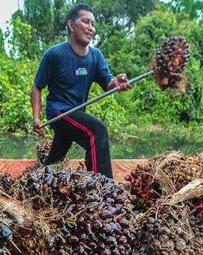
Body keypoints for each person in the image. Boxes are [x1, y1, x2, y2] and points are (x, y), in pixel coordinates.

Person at [31, 3, 131, 179]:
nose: (91, 28)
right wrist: (37, 118)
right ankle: (103, 187)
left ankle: (41, 174)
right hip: (59, 112)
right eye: (86, 22)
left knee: (56, 158)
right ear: (71, 25)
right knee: (96, 131)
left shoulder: (96, 56)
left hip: (76, 114)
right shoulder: (54, 54)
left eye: (93, 23)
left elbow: (108, 83)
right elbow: (37, 87)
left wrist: (117, 82)